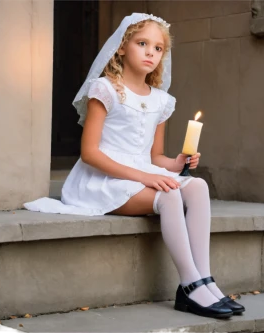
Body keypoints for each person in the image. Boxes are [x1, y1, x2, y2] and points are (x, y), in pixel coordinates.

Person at [24, 12, 245, 319]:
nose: (151, 53)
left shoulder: (160, 100)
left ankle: (206, 280)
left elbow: (155, 157)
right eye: (142, 43)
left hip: (141, 172)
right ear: (121, 48)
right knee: (168, 195)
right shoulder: (104, 90)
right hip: (102, 178)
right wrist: (145, 177)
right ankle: (190, 284)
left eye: (158, 48)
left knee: (197, 186)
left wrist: (177, 162)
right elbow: (89, 153)